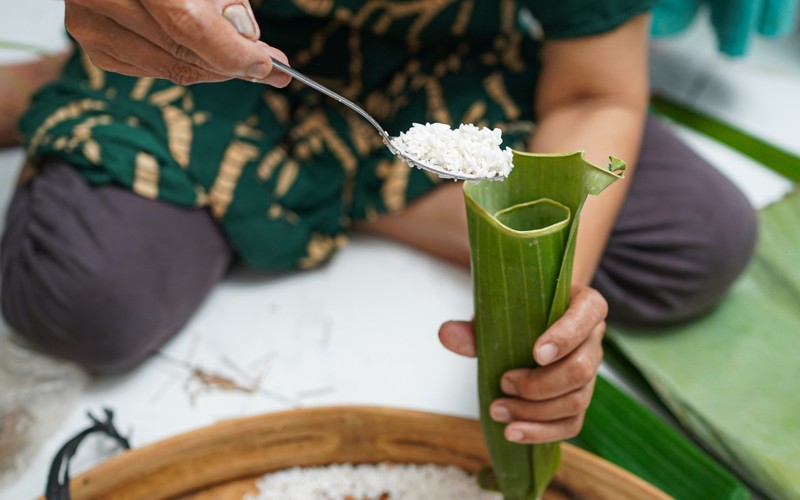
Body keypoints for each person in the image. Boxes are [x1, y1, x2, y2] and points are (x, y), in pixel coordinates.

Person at [0, 0, 756, 446]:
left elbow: (596, 93)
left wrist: (543, 289)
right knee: (86, 301)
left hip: (451, 65)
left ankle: (293, 185)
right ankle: (71, 80)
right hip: (217, 62)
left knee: (699, 239)